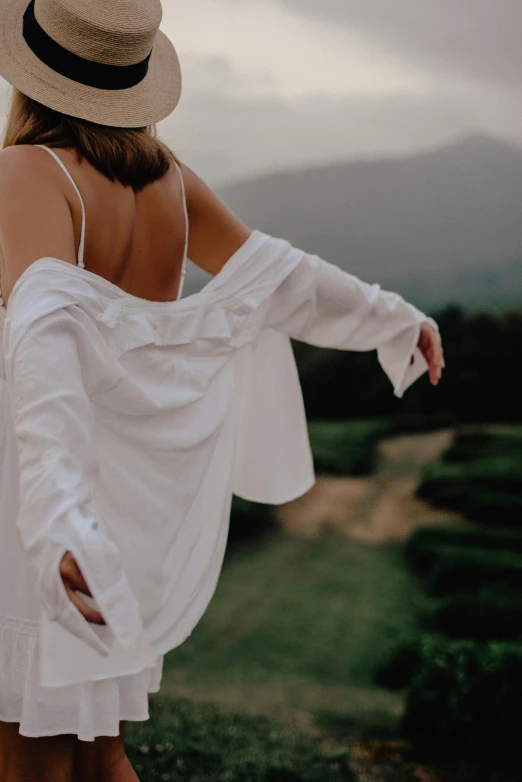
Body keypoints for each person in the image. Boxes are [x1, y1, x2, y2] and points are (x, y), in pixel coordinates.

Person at [0, 0, 444, 779]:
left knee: (26, 759)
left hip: (45, 513)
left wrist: (58, 523)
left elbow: (44, 349)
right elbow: (281, 279)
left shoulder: (27, 174)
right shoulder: (168, 180)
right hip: (118, 516)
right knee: (103, 756)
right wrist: (392, 318)